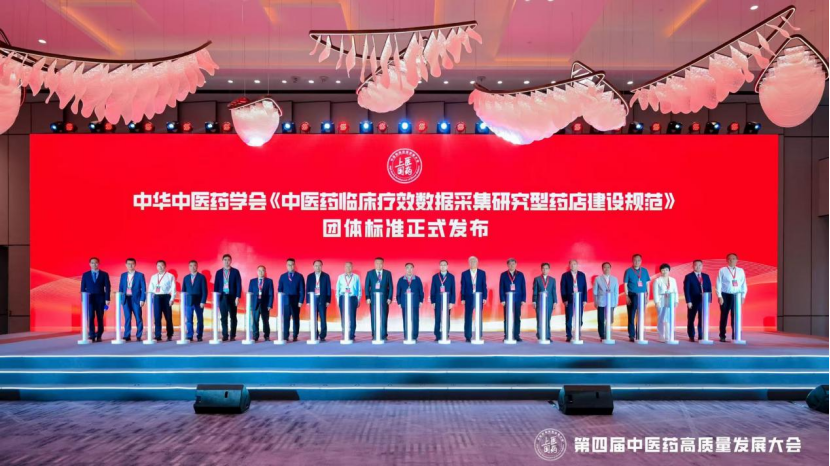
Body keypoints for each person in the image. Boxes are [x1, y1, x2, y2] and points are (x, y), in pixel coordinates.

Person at [716, 253, 748, 343]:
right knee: (724, 316)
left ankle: (735, 335)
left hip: (736, 296)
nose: (731, 260)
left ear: (737, 260)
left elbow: (743, 284)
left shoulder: (741, 270)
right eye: (729, 259)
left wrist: (743, 296)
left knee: (735, 316)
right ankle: (722, 335)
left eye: (734, 258)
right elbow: (718, 283)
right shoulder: (722, 270)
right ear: (727, 260)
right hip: (725, 295)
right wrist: (719, 296)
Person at [80, 257, 111, 342]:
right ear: (89, 264)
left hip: (101, 298)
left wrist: (107, 298)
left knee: (100, 317)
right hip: (89, 299)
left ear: (99, 263)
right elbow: (82, 288)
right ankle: (92, 334)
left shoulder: (104, 274)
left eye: (96, 262)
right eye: (92, 263)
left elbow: (108, 287)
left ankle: (99, 334)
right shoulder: (85, 275)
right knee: (91, 316)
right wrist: (83, 299)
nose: (94, 264)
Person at [683, 260, 713, 342]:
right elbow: (686, 290)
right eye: (696, 265)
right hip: (692, 301)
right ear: (693, 266)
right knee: (691, 318)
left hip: (703, 301)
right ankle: (691, 335)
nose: (698, 267)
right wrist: (688, 301)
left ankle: (701, 335)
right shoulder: (689, 276)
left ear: (702, 266)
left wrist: (709, 300)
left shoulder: (706, 276)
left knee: (702, 319)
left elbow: (709, 288)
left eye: (700, 265)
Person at [214, 254, 242, 341]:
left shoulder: (235, 271)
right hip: (222, 297)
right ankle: (225, 335)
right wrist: (216, 298)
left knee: (233, 317)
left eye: (228, 260)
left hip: (232, 297)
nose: (227, 261)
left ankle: (232, 335)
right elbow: (216, 286)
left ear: (231, 261)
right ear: (222, 261)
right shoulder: (218, 272)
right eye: (225, 260)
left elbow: (238, 285)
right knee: (223, 317)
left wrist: (237, 297)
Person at [365, 257, 394, 341]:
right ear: (374, 264)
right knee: (374, 316)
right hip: (373, 299)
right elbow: (367, 286)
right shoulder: (370, 273)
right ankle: (374, 334)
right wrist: (367, 297)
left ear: (383, 264)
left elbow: (391, 286)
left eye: (380, 263)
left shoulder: (388, 273)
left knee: (384, 316)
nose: (378, 265)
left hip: (384, 299)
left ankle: (384, 334)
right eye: (377, 263)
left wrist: (389, 298)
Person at [623, 254, 651, 342]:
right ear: (632, 261)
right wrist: (627, 296)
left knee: (640, 315)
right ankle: (631, 335)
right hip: (632, 295)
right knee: (631, 315)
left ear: (641, 261)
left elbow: (647, 284)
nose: (637, 262)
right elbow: (625, 284)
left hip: (642, 296)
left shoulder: (645, 271)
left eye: (638, 260)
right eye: (635, 260)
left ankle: (639, 334)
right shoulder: (628, 271)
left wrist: (648, 296)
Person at [460, 256, 487, 343]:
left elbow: (484, 286)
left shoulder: (482, 273)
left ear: (477, 263)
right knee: (468, 317)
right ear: (469, 263)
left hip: (479, 297)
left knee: (479, 317)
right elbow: (463, 287)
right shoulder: (464, 273)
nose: (473, 263)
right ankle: (468, 336)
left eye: (474, 261)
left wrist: (484, 297)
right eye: (471, 261)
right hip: (468, 297)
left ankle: (479, 334)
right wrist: (463, 298)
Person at [499, 258, 526, 342]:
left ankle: (516, 335)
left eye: (513, 264)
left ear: (516, 264)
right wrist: (502, 299)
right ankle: (507, 335)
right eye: (510, 264)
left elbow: (523, 287)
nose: (512, 265)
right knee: (507, 318)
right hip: (507, 300)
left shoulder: (520, 274)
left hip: (518, 299)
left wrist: (523, 299)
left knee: (517, 318)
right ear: (507, 265)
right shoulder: (503, 275)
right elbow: (501, 288)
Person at [278, 258, 305, 342]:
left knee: (296, 318)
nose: (291, 266)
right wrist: (281, 301)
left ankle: (295, 335)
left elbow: (302, 290)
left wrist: (300, 301)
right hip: (285, 301)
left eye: (292, 264)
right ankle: (286, 336)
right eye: (289, 265)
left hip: (296, 301)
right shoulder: (282, 276)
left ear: (294, 265)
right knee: (286, 319)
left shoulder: (299, 276)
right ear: (286, 266)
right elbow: (280, 290)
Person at [148, 260, 176, 342]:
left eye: (162, 265)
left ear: (165, 266)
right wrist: (150, 298)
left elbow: (173, 288)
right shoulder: (153, 277)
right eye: (158, 266)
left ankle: (170, 334)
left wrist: (172, 299)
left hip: (166, 297)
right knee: (157, 317)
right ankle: (158, 335)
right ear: (156, 267)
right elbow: (150, 289)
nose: (160, 267)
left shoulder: (170, 276)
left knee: (168, 317)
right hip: (156, 297)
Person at [118, 258, 145, 342]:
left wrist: (142, 299)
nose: (130, 265)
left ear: (135, 264)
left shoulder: (140, 275)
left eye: (132, 264)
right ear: (126, 265)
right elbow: (120, 288)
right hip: (126, 299)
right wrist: (120, 299)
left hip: (136, 299)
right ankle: (127, 335)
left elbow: (143, 288)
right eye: (129, 264)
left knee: (138, 317)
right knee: (127, 318)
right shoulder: (123, 275)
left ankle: (139, 335)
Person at [560, 260, 587, 342]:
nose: (573, 265)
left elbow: (584, 288)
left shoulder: (582, 275)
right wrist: (564, 299)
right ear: (569, 265)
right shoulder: (565, 275)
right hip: (569, 300)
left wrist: (584, 299)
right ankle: (569, 335)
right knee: (569, 318)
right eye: (571, 264)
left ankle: (578, 334)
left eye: (574, 264)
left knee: (579, 318)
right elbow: (563, 288)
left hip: (579, 299)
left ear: (577, 265)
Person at [396, 263, 425, 341]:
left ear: (413, 269)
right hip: (404, 303)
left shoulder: (417, 279)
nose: (409, 269)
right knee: (405, 319)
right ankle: (406, 335)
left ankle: (415, 336)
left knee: (415, 319)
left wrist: (421, 301)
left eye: (411, 268)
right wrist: (399, 302)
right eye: (407, 268)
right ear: (405, 269)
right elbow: (398, 292)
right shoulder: (401, 280)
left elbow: (421, 291)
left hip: (415, 303)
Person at [181, 260, 208, 342]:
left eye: (194, 265)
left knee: (200, 319)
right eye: (191, 265)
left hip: (199, 301)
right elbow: (183, 291)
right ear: (189, 267)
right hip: (188, 302)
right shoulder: (186, 278)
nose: (192, 267)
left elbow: (204, 291)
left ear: (197, 266)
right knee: (189, 320)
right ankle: (190, 335)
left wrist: (203, 301)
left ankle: (199, 335)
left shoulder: (202, 277)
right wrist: (183, 302)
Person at [306, 260, 332, 342]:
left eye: (319, 265)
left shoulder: (326, 276)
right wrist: (308, 300)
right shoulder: (309, 276)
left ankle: (323, 335)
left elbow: (328, 289)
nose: (317, 267)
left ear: (321, 266)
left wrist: (328, 300)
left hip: (322, 299)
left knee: (323, 317)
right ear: (313, 266)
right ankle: (315, 334)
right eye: (316, 266)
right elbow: (307, 288)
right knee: (314, 318)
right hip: (313, 299)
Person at [430, 260, 456, 341]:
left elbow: (453, 290)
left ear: (447, 266)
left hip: (447, 301)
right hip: (437, 301)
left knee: (446, 318)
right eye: (441, 265)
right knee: (437, 318)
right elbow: (432, 290)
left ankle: (446, 333)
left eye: (444, 265)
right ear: (439, 266)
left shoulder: (451, 277)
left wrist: (452, 302)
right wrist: (433, 301)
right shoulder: (435, 277)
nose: (443, 266)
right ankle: (437, 335)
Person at [532, 262, 557, 342]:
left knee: (548, 319)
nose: (545, 270)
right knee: (540, 319)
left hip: (549, 302)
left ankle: (547, 336)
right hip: (539, 302)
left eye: (546, 268)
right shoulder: (537, 279)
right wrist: (534, 301)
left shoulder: (552, 280)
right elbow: (535, 291)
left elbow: (554, 291)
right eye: (543, 268)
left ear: (549, 269)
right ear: (541, 269)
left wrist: (555, 302)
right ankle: (540, 335)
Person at [593, 262, 619, 341]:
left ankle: (608, 333)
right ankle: (602, 335)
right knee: (601, 319)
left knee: (610, 319)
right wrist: (595, 302)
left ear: (610, 268)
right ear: (602, 269)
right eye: (605, 267)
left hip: (611, 302)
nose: (606, 269)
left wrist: (616, 302)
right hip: (601, 302)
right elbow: (595, 292)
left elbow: (616, 292)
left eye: (608, 267)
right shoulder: (598, 279)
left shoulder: (614, 279)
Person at [653, 263, 678, 342]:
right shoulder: (657, 280)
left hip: (670, 300)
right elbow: (655, 292)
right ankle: (661, 336)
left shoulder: (673, 280)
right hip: (661, 300)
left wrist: (676, 301)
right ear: (660, 271)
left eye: (666, 270)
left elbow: (675, 291)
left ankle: (669, 335)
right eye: (663, 270)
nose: (665, 271)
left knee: (669, 318)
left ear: (669, 271)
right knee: (661, 318)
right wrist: (656, 302)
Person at [248, 266, 274, 341]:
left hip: (265, 304)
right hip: (255, 304)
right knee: (255, 321)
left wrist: (270, 304)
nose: (261, 272)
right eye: (259, 270)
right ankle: (255, 336)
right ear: (257, 271)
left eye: (262, 270)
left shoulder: (269, 281)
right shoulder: (252, 281)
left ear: (265, 272)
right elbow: (250, 293)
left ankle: (266, 335)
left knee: (265, 321)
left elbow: (271, 294)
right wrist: (250, 305)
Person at [336, 262, 360, 341]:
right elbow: (337, 290)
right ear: (344, 267)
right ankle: (345, 333)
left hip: (352, 298)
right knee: (343, 317)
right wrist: (338, 300)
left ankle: (352, 334)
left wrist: (358, 299)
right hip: (343, 298)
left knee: (352, 317)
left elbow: (359, 290)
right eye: (347, 266)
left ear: (352, 267)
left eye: (350, 266)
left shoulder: (356, 277)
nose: (348, 268)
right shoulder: (340, 277)